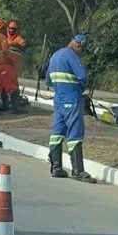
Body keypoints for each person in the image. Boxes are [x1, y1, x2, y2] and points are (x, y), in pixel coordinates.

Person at [46, 33, 96, 183]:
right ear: (78, 44)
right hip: (71, 97)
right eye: (82, 48)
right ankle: (78, 171)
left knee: (57, 131)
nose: (81, 51)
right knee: (75, 132)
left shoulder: (55, 55)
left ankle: (56, 167)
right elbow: (82, 76)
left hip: (59, 99)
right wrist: (79, 89)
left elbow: (48, 79)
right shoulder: (72, 56)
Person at [6, 20, 27, 112]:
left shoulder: (18, 39)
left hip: (13, 65)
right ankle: (5, 104)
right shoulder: (4, 38)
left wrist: (15, 44)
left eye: (13, 29)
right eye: (10, 28)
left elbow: (23, 45)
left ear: (16, 30)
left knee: (13, 85)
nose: (11, 30)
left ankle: (16, 107)